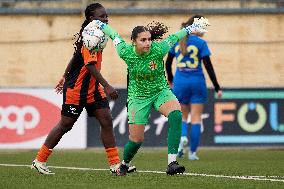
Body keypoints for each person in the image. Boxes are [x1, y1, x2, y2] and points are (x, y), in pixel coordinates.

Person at [87, 17, 209, 176]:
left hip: (160, 92)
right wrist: (101, 25)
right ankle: (124, 163)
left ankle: (172, 162)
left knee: (176, 115)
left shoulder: (158, 49)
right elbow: (114, 35)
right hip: (138, 97)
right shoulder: (125, 52)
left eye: (149, 39)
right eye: (143, 40)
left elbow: (174, 37)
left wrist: (190, 28)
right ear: (134, 42)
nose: (148, 43)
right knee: (136, 140)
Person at [31, 3, 135, 174]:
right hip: (77, 89)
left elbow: (74, 57)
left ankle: (115, 164)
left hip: (92, 89)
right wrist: (107, 85)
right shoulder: (90, 36)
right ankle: (39, 160)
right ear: (91, 18)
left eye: (106, 15)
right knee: (66, 125)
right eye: (101, 16)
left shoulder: (95, 33)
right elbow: (90, 65)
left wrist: (64, 75)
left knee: (106, 120)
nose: (105, 19)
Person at [165, 15, 222, 161]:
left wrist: (170, 80)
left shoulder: (177, 41)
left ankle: (182, 138)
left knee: (182, 116)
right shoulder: (201, 43)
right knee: (196, 118)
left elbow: (168, 63)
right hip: (197, 82)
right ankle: (193, 153)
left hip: (180, 82)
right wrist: (217, 87)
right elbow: (208, 67)